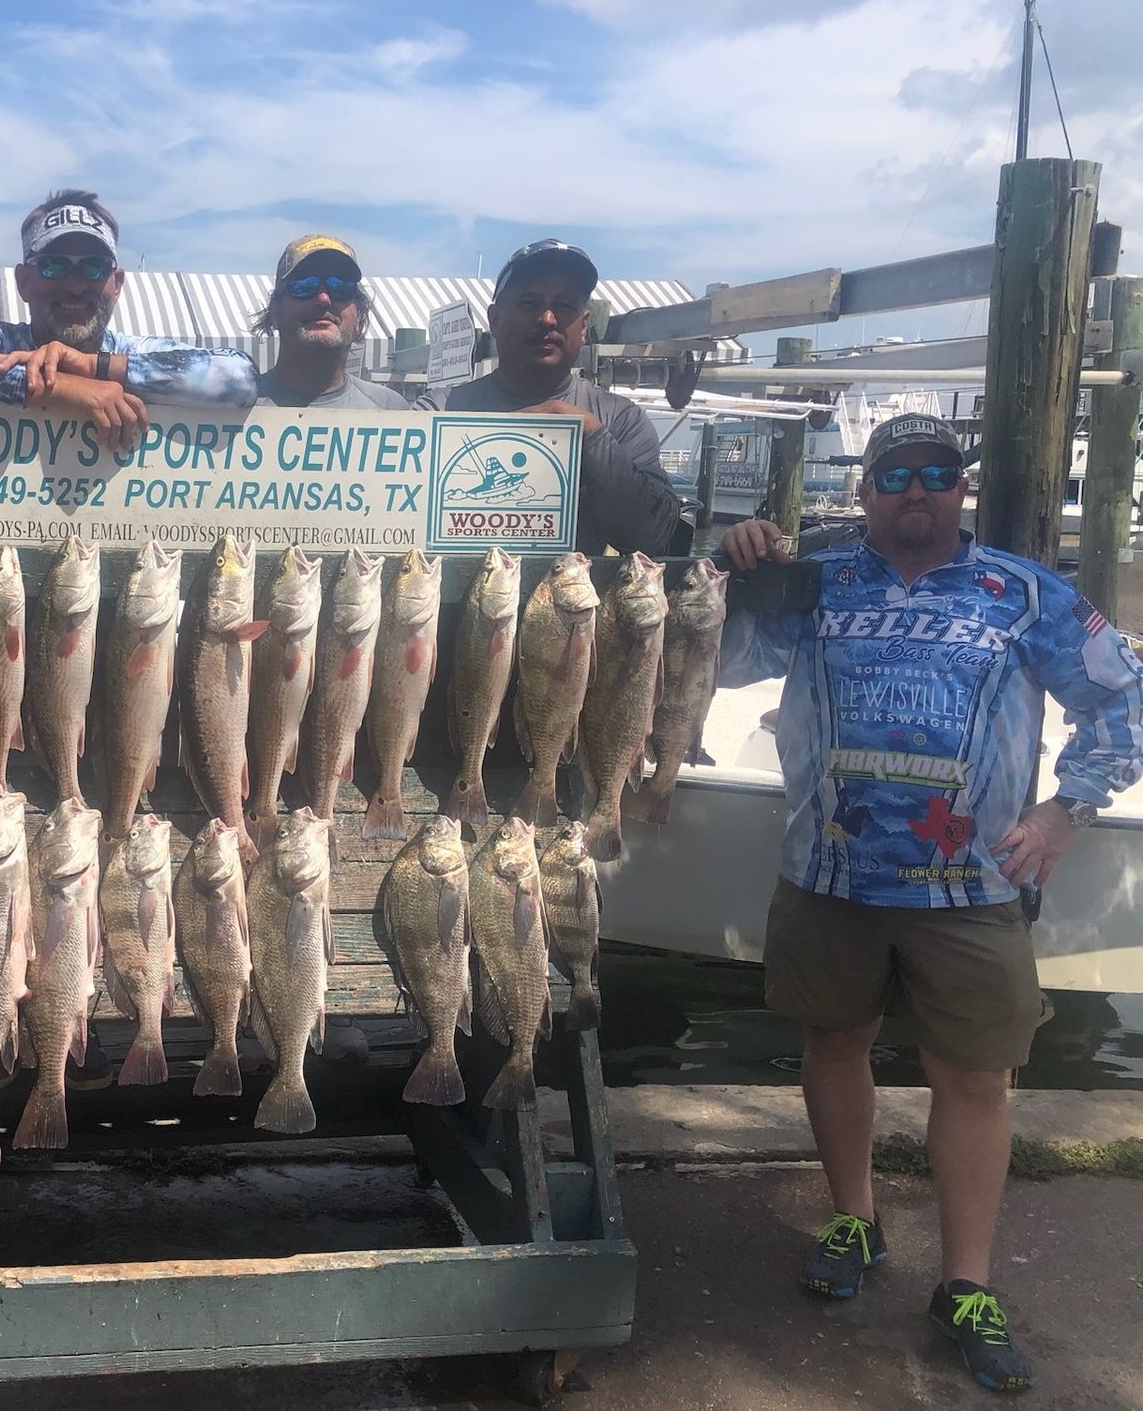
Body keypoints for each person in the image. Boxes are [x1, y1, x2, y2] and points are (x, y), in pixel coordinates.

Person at [718, 412, 1143, 1394]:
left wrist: (1068, 808)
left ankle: (967, 1284)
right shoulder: (817, 574)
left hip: (974, 886)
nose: (917, 489)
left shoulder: (1022, 589)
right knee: (833, 1044)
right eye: (896, 473)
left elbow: (1118, 695)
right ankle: (855, 1219)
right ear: (866, 490)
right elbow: (723, 662)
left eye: (937, 473)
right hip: (830, 876)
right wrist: (736, 563)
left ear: (963, 489)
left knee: (977, 1082)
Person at [0, 188, 256, 443]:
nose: (75, 285)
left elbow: (239, 377)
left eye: (93, 268)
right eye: (54, 266)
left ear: (116, 283)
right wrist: (60, 390)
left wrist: (93, 367)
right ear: (23, 281)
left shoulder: (131, 351)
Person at [417, 238, 683, 556]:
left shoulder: (621, 420)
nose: (547, 319)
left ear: (583, 326)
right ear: (495, 319)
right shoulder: (435, 412)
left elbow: (652, 539)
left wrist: (592, 436)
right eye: (530, 303)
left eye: (565, 305)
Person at [248, 235, 408, 410]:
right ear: (275, 311)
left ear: (360, 314)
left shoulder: (390, 409)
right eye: (304, 285)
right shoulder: (237, 407)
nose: (324, 299)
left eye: (341, 287)